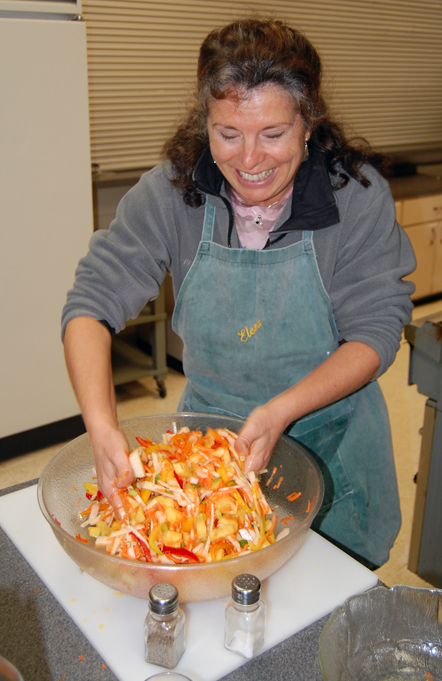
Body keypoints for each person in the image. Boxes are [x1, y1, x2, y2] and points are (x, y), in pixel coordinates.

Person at [62, 18, 416, 569]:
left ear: (307, 123)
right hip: (207, 463)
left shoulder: (356, 198)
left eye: (272, 134)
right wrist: (101, 425)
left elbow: (375, 332)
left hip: (332, 450)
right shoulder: (171, 192)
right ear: (205, 122)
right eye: (228, 134)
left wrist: (280, 412)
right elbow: (91, 303)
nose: (248, 160)